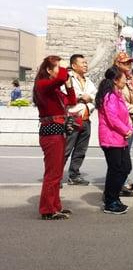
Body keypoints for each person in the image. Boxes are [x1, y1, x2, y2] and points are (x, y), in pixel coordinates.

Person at [34, 55, 77, 220]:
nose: (61, 70)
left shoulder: (55, 90)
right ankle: (47, 209)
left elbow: (71, 100)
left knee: (57, 173)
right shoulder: (42, 85)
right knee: (52, 174)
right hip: (51, 133)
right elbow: (59, 78)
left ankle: (55, 206)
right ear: (48, 70)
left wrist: (69, 85)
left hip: (57, 132)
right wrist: (65, 69)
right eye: (57, 67)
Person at [96, 67, 133, 215]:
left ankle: (112, 197)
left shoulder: (117, 95)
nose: (126, 79)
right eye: (124, 77)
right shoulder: (110, 96)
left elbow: (123, 115)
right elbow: (112, 119)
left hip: (119, 138)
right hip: (111, 139)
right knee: (116, 169)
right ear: (116, 80)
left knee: (124, 167)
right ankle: (111, 201)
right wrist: (126, 129)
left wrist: (128, 127)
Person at [63, 54, 97, 186]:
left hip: (86, 119)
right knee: (66, 149)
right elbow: (67, 95)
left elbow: (95, 96)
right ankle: (57, 175)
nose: (85, 65)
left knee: (81, 150)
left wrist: (88, 101)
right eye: (82, 63)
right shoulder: (67, 78)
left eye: (86, 63)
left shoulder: (88, 81)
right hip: (72, 119)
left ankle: (74, 175)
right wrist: (83, 96)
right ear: (73, 65)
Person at [115, 53, 133, 195]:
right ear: (118, 63)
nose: (128, 65)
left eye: (129, 63)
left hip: (130, 122)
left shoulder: (130, 82)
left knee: (125, 155)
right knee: (120, 157)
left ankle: (122, 182)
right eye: (125, 63)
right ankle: (118, 186)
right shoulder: (118, 81)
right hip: (122, 123)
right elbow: (119, 102)